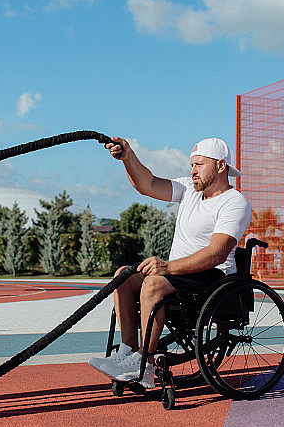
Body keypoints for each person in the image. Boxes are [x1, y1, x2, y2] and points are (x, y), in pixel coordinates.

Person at [89, 136, 252, 389]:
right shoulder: (188, 189)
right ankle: (127, 353)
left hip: (212, 277)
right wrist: (128, 156)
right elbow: (148, 183)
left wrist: (166, 267)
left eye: (199, 164)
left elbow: (217, 253)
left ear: (221, 166)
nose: (192, 170)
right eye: (191, 164)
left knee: (154, 284)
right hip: (179, 275)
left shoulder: (235, 202)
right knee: (123, 275)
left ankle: (145, 365)